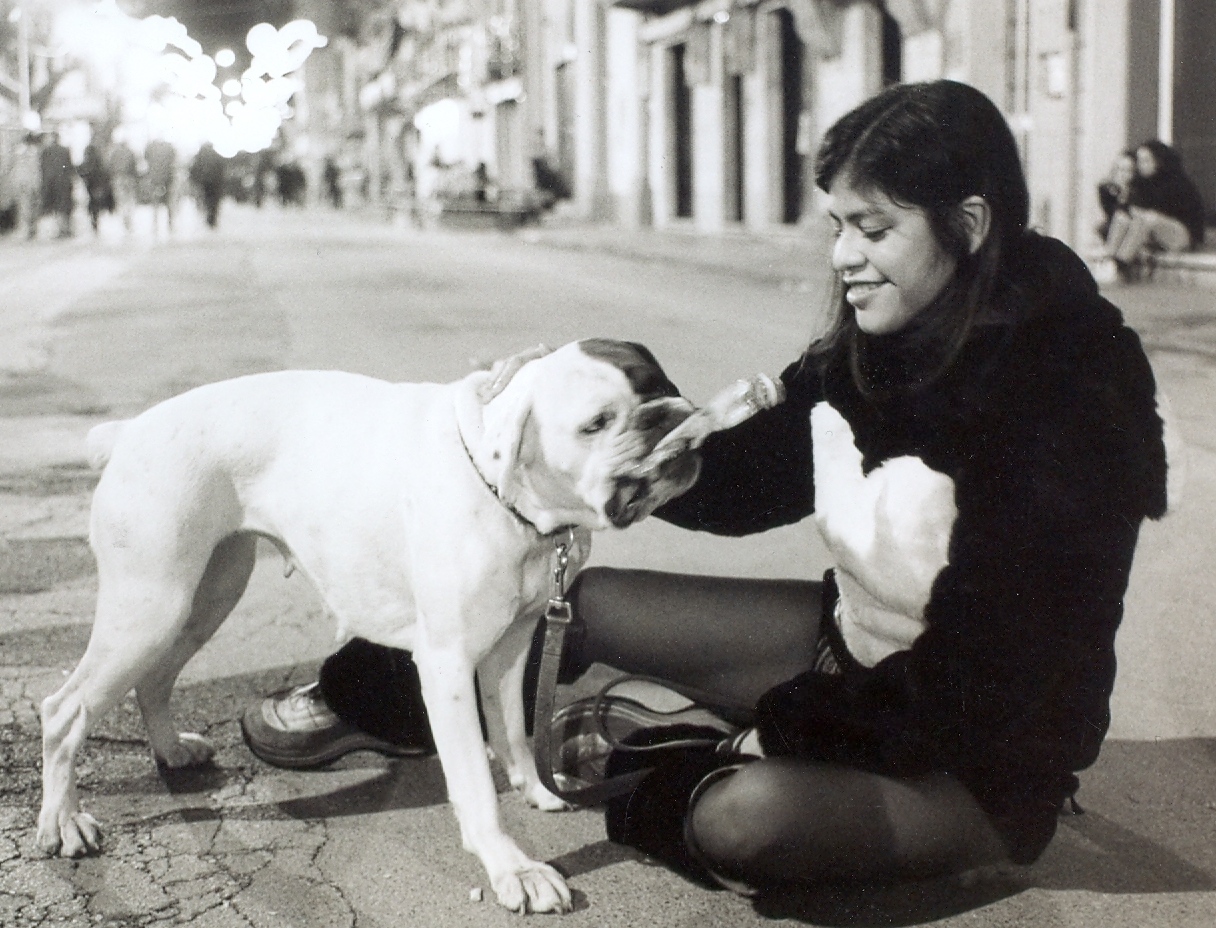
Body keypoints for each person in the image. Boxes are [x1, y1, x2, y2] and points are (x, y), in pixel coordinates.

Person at [241, 80, 1169, 893]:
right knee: (572, 602)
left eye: (875, 229)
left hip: (979, 746)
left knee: (741, 817)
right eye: (838, 225)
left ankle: (673, 757)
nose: (845, 256)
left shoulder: (1072, 389)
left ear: (968, 226)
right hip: (848, 653)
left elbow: (1002, 666)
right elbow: (742, 480)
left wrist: (778, 731)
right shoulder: (876, 347)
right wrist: (597, 422)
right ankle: (376, 703)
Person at [1102, 139, 1206, 281]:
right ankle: (1109, 259)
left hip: (1181, 235)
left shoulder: (1177, 182)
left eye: (1145, 160)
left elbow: (1174, 213)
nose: (1140, 165)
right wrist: (1124, 195)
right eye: (1139, 160)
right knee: (1122, 217)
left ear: (1158, 161)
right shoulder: (1141, 183)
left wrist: (1137, 212)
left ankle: (1122, 262)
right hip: (1152, 233)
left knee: (1148, 217)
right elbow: (1125, 212)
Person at [39, 132, 75, 239]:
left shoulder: (45, 151)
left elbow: (42, 168)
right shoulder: (65, 150)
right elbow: (69, 167)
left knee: (54, 207)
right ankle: (65, 229)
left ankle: (58, 230)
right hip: (63, 182)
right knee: (64, 206)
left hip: (51, 183)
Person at [77, 136, 115, 234]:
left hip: (91, 187)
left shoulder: (87, 163)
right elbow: (106, 174)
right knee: (96, 205)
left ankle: (94, 223)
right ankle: (96, 222)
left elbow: (81, 171)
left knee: (93, 206)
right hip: (98, 186)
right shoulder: (100, 162)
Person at [1096, 149, 1135, 240]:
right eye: (1120, 169)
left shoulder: (1138, 190)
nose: (1123, 174)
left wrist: (1126, 192)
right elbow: (1111, 214)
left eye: (1128, 170)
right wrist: (1121, 193)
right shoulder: (1106, 189)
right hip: (1114, 228)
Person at [189, 142, 227, 229]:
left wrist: (195, 181)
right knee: (213, 202)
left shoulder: (199, 156)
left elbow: (193, 169)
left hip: (204, 184)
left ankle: (209, 218)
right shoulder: (217, 156)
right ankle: (212, 219)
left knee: (207, 201)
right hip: (215, 184)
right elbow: (222, 171)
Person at [144, 136, 177, 234]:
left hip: (155, 178)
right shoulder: (169, 147)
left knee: (155, 202)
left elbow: (146, 159)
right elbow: (173, 160)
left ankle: (155, 223)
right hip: (168, 178)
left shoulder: (150, 147)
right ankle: (170, 223)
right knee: (169, 202)